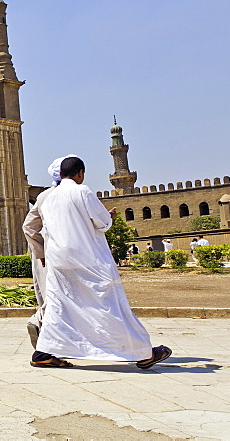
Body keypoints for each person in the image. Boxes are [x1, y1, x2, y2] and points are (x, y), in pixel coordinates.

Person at [28, 156, 171, 370]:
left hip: (58, 261)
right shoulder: (82, 191)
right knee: (108, 304)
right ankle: (143, 353)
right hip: (87, 259)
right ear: (80, 173)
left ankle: (43, 353)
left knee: (60, 307)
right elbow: (103, 223)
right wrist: (108, 217)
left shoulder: (47, 198)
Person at [22, 154, 76, 348]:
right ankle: (47, 345)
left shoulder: (44, 196)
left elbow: (28, 226)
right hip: (60, 254)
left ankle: (39, 324)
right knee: (63, 295)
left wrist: (39, 253)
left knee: (50, 293)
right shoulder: (74, 194)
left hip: (45, 255)